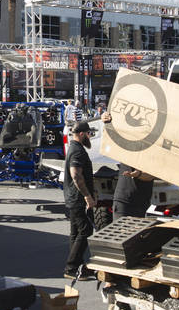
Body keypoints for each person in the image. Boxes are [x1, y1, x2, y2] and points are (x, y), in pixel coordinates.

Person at [100, 112, 155, 218]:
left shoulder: (152, 152)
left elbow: (152, 175)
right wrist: (106, 120)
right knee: (120, 228)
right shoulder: (128, 147)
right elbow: (112, 136)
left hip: (142, 202)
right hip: (124, 201)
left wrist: (138, 174)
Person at [63, 120, 97, 280]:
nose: (89, 136)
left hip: (73, 197)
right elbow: (76, 175)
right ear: (82, 133)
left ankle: (77, 267)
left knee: (76, 232)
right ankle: (71, 267)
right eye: (88, 133)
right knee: (86, 230)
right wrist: (87, 196)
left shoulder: (75, 147)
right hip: (78, 198)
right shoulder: (77, 150)